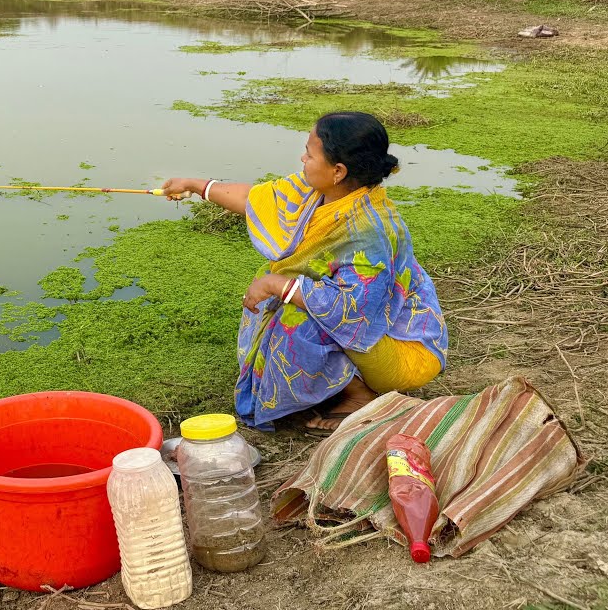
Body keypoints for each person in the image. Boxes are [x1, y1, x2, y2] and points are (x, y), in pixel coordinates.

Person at [163, 112, 447, 434]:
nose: (303, 158)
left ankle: (359, 394)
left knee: (296, 315)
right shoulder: (316, 191)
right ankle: (327, 384)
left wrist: (277, 284)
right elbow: (256, 200)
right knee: (282, 291)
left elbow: (354, 313)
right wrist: (195, 185)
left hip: (396, 348)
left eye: (310, 154)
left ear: (338, 171)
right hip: (365, 332)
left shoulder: (369, 231)